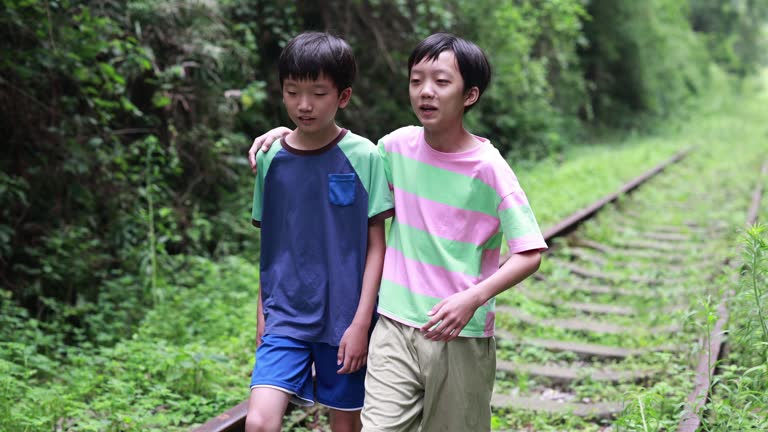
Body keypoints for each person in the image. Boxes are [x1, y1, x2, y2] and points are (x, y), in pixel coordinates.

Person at [249, 33, 546, 432]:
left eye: (441, 82)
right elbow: (330, 151)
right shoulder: (394, 148)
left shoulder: (488, 167)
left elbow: (530, 251)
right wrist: (281, 136)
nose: (426, 92)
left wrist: (473, 298)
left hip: (458, 330)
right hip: (391, 323)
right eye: (416, 80)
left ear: (470, 94)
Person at [245, 31, 393, 432]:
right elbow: (271, 243)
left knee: (346, 427)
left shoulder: (365, 156)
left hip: (345, 319)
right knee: (259, 422)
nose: (303, 105)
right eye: (292, 92)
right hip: (286, 316)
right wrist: (262, 313)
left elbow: (377, 246)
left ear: (343, 97)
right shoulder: (270, 157)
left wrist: (363, 322)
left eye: (318, 93)